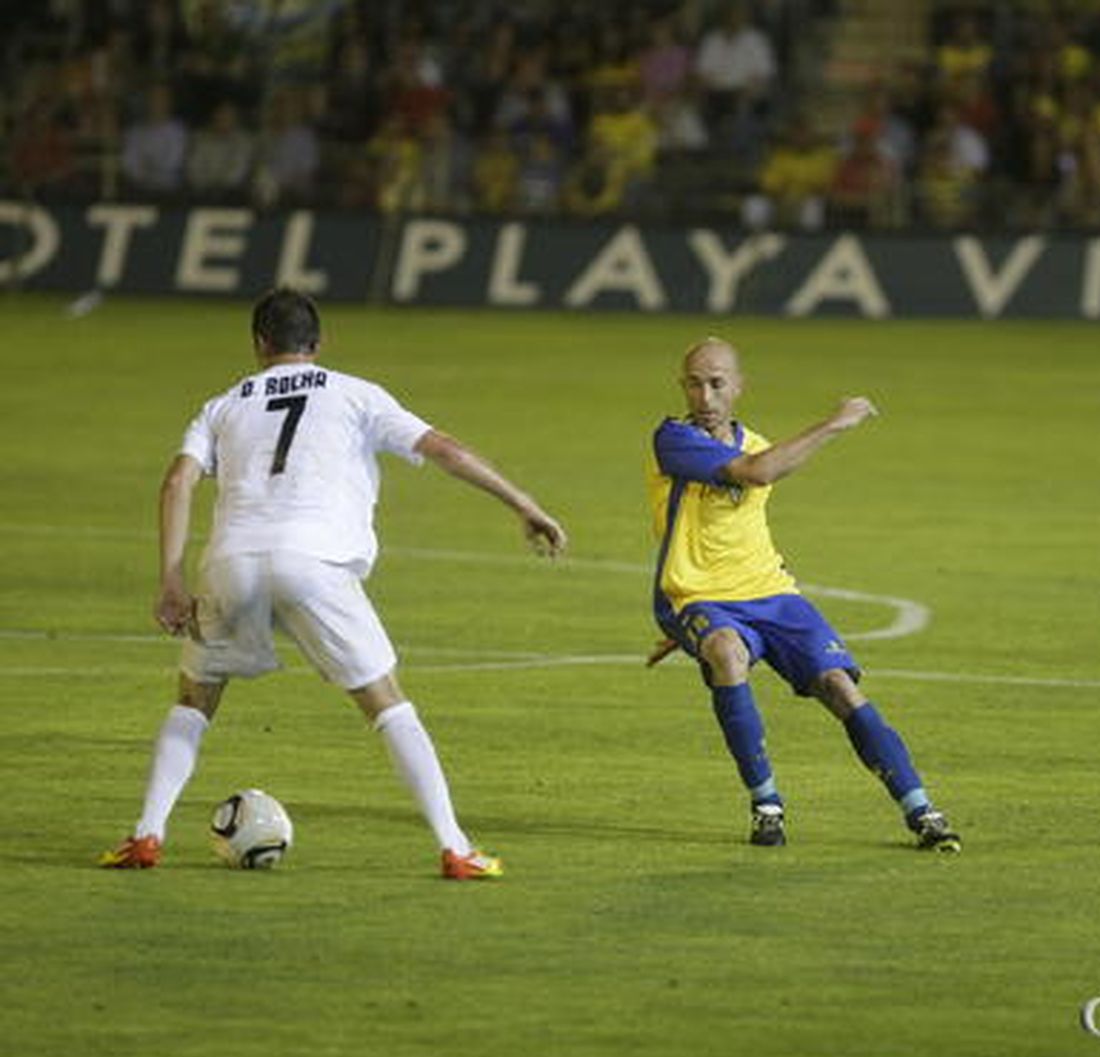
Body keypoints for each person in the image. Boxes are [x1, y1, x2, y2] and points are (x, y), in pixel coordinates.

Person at [99, 288, 567, 880]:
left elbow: (177, 482)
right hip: (315, 563)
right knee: (385, 704)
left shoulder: (223, 406)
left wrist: (170, 577)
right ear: (317, 346)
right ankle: (455, 847)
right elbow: (443, 449)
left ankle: (146, 835)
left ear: (259, 344)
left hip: (231, 561)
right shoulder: (355, 394)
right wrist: (522, 503)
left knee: (194, 698)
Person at [645, 337, 960, 852]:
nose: (705, 396)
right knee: (726, 653)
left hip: (771, 593)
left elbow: (746, 526)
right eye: (695, 383)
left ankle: (922, 811)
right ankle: (767, 805)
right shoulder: (673, 440)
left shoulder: (758, 441)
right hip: (701, 596)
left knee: (840, 686)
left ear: (738, 387)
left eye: (717, 384)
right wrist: (837, 423)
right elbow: (757, 473)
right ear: (682, 386)